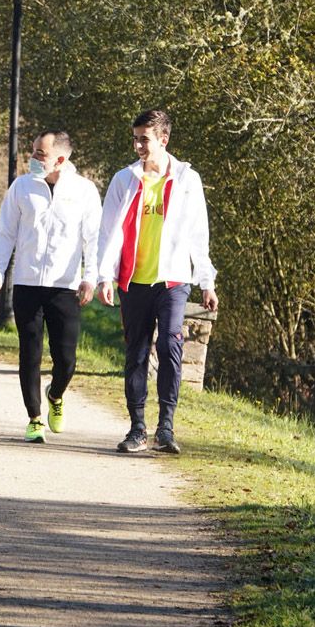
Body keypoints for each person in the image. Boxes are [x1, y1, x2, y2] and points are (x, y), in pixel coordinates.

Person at [96, 109, 218, 455]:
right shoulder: (124, 179)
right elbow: (109, 232)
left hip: (173, 279)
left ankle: (166, 427)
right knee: (135, 353)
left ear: (163, 140)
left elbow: (199, 233)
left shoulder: (186, 180)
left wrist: (207, 282)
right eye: (135, 138)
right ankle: (137, 428)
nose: (138, 145)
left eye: (144, 139)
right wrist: (106, 275)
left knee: (169, 345)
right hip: (134, 279)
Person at [0, 131, 100, 443]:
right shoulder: (21, 187)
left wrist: (89, 277)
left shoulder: (84, 191)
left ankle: (56, 393)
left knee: (66, 358)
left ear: (60, 160)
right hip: (27, 283)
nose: (34, 157)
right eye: (34, 150)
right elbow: (5, 233)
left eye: (41, 153)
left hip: (65, 286)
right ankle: (34, 417)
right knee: (30, 353)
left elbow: (93, 239)